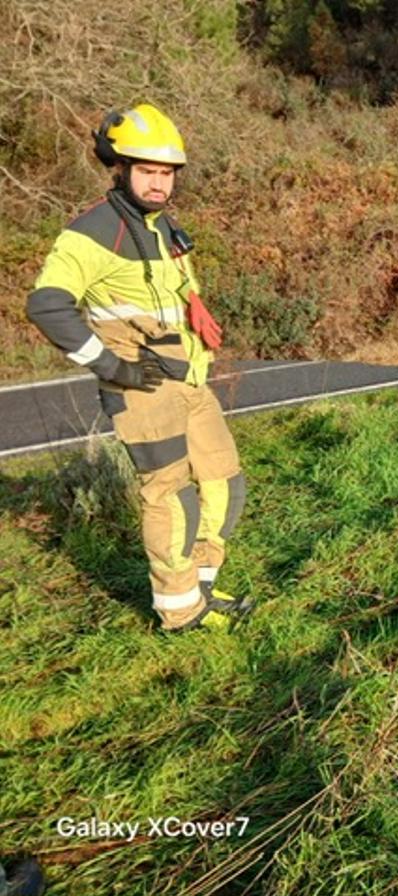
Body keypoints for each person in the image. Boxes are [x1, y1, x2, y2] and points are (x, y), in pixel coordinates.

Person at [26, 103, 249, 632]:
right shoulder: (92, 232)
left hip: (188, 378)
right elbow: (47, 305)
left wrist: (196, 309)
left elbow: (174, 294)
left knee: (225, 484)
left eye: (167, 173)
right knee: (173, 498)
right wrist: (110, 365)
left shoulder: (163, 227)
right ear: (120, 169)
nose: (158, 183)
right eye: (147, 171)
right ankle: (180, 612)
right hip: (143, 390)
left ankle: (202, 585)